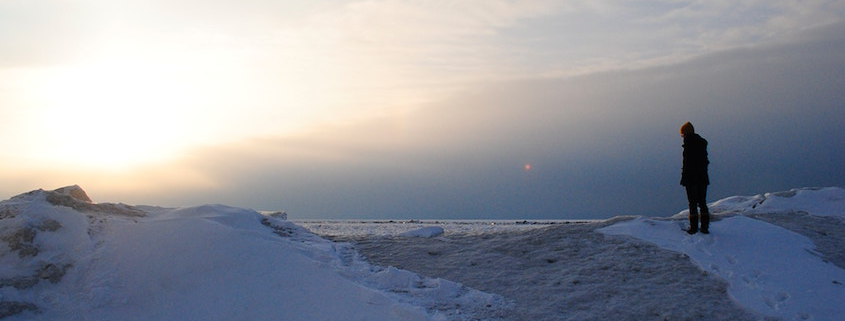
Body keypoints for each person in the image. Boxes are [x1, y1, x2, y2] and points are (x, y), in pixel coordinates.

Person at [680, 121, 710, 234]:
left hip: (691, 178)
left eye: (682, 134)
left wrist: (684, 178)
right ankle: (705, 227)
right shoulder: (701, 144)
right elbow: (705, 161)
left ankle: (693, 228)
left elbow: (687, 163)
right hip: (703, 177)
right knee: (702, 202)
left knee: (692, 203)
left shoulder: (688, 144)